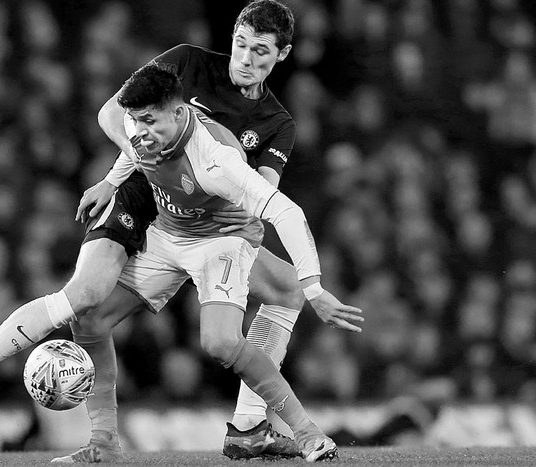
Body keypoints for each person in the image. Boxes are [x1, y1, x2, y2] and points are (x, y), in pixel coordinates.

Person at [0, 0, 362, 461]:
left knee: (281, 295)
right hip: (144, 196)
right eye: (240, 45)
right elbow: (118, 112)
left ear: (282, 55)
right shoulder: (185, 63)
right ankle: (74, 429)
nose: (246, 60)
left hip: (210, 223)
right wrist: (123, 170)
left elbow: (264, 199)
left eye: (260, 52)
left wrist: (306, 280)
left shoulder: (265, 131)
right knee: (86, 301)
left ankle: (251, 426)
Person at [66, 63, 341, 462]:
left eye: (146, 119)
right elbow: (127, 139)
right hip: (170, 233)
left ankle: (306, 432)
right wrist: (110, 180)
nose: (138, 129)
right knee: (88, 319)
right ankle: (104, 443)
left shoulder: (219, 158)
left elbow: (287, 213)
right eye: (134, 120)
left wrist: (314, 286)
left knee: (220, 341)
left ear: (178, 113)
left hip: (219, 240)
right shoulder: (145, 125)